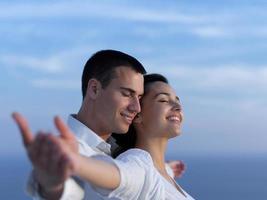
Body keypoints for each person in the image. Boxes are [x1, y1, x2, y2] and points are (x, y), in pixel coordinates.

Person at [13, 51, 185, 200]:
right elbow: (69, 191)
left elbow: (136, 176)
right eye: (127, 94)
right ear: (94, 89)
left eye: (139, 98)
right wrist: (53, 188)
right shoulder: (66, 151)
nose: (136, 108)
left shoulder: (119, 152)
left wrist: (166, 169)